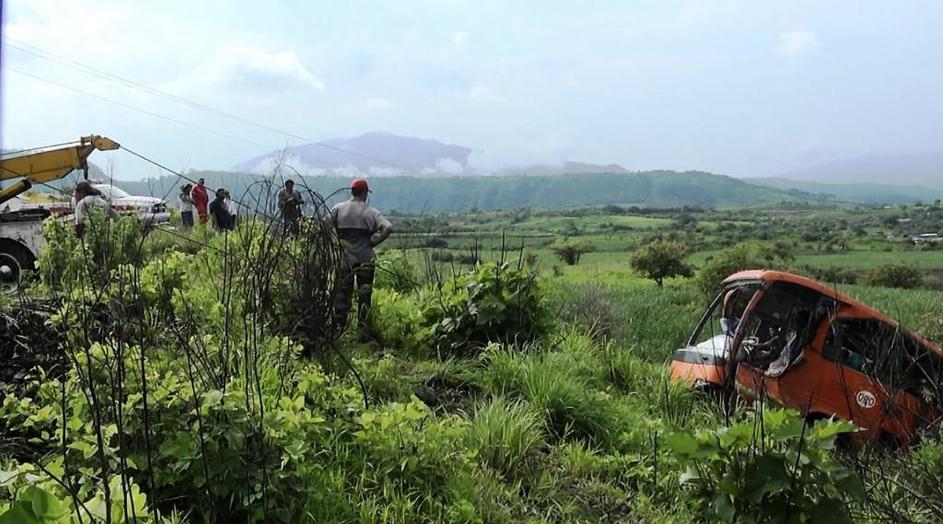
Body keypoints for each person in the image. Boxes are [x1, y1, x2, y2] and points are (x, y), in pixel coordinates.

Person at [329, 178, 393, 329]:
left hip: (344, 259)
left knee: (342, 295)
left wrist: (335, 241)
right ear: (364, 193)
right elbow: (388, 227)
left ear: (351, 192)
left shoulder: (338, 209)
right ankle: (363, 327)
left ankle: (339, 327)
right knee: (365, 295)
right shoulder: (371, 212)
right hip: (365, 258)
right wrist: (374, 242)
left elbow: (324, 225)